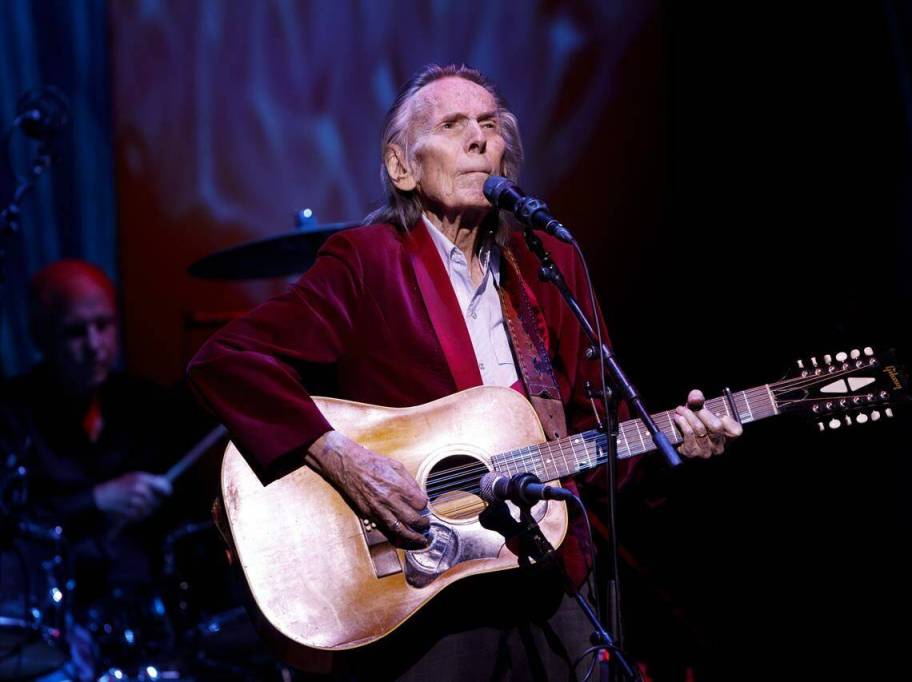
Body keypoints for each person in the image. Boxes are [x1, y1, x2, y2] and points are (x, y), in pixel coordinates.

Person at [187, 64, 742, 680]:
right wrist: (342, 457)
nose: (480, 138)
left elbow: (597, 434)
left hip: (545, 573)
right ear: (402, 167)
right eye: (452, 125)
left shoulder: (549, 264)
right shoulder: (368, 262)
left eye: (490, 124)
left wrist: (674, 444)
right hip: (422, 588)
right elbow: (227, 361)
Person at [0, 260, 176, 677]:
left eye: (104, 325)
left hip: (144, 612)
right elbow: (10, 523)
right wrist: (96, 500)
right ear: (41, 337)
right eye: (76, 332)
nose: (94, 345)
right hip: (51, 617)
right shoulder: (13, 414)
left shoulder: (145, 403)